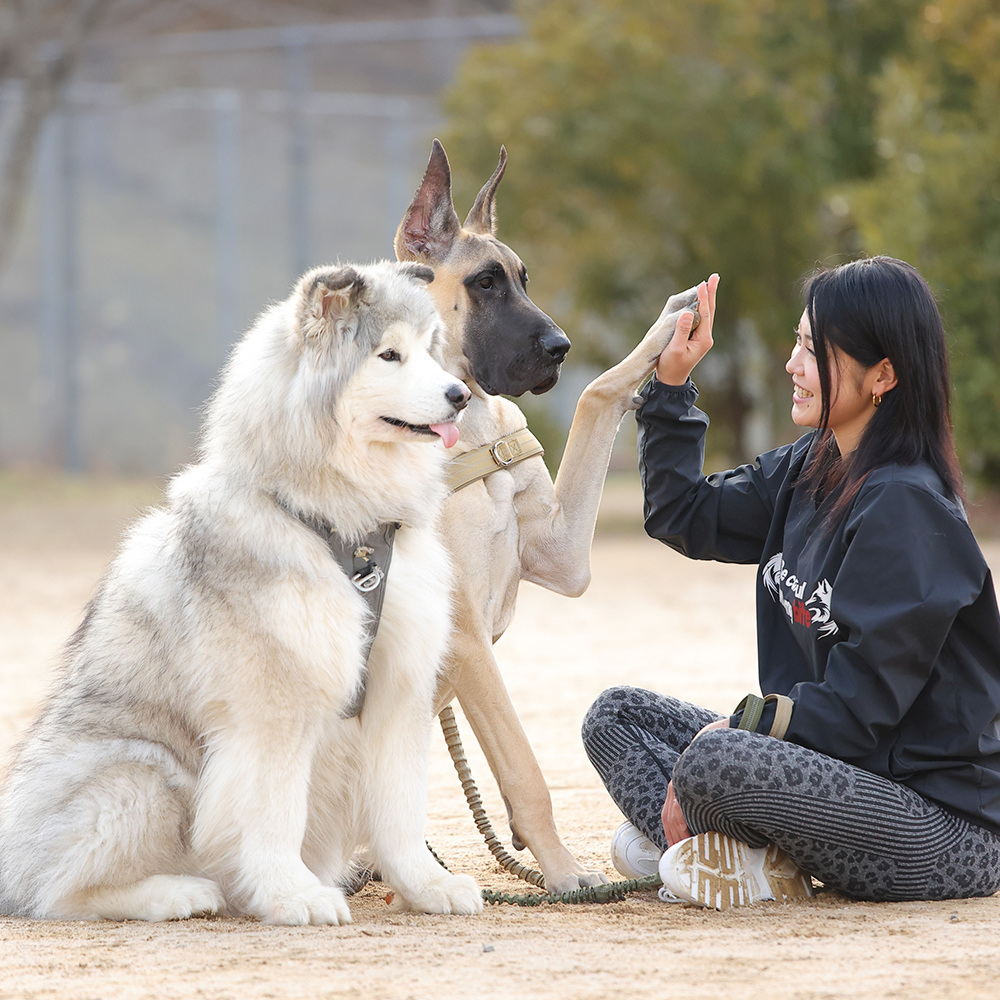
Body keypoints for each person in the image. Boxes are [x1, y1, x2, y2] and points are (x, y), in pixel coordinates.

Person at [582, 257, 1000, 909]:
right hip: (844, 775)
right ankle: (725, 855)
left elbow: (858, 710)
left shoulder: (907, 510)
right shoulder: (815, 465)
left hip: (940, 828)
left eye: (815, 350)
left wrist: (734, 729)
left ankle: (719, 854)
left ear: (883, 374)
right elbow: (684, 515)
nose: (793, 366)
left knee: (716, 760)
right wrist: (670, 384)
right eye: (799, 343)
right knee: (616, 716)